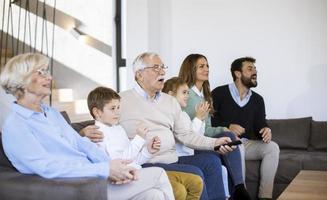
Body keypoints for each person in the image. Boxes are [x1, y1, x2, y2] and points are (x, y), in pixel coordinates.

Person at [0, 53, 174, 200]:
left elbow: (81, 143)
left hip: (94, 176)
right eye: (41, 72)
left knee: (154, 195)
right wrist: (104, 169)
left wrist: (113, 167)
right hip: (78, 186)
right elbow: (47, 167)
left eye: (47, 72)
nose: (49, 77)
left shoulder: (51, 113)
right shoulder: (15, 126)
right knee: (158, 174)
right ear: (21, 80)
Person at [118, 52, 239, 200]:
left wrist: (215, 143)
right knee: (195, 173)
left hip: (171, 159)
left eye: (163, 67)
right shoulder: (121, 100)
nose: (162, 71)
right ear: (139, 75)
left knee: (211, 161)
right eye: (156, 67)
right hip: (146, 162)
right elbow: (101, 120)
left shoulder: (170, 101)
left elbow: (186, 134)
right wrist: (86, 131)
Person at [87, 86, 203, 200]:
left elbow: (134, 161)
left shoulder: (118, 128)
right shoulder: (97, 134)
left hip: (136, 172)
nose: (117, 112)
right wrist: (139, 138)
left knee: (156, 195)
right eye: (112, 108)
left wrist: (148, 151)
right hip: (119, 180)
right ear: (97, 112)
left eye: (118, 107)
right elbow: (121, 164)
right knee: (159, 173)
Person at [178, 54, 251, 199]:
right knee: (226, 143)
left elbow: (208, 129)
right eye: (201, 66)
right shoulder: (185, 95)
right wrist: (224, 131)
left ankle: (239, 187)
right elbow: (187, 131)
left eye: (207, 65)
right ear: (191, 69)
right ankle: (239, 190)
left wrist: (224, 130)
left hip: (205, 139)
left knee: (230, 139)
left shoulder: (205, 96)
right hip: (191, 145)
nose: (206, 69)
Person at [211, 57, 280, 200]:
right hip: (225, 143)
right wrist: (228, 126)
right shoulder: (219, 93)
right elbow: (209, 121)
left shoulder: (258, 100)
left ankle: (265, 197)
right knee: (238, 147)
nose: (255, 72)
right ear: (237, 73)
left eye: (255, 69)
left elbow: (260, 123)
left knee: (272, 147)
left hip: (246, 143)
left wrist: (266, 129)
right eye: (250, 69)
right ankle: (242, 195)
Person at [162, 77, 230, 200]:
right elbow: (187, 138)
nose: (187, 96)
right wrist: (198, 118)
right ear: (170, 95)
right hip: (179, 157)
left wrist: (201, 119)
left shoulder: (183, 115)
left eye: (188, 92)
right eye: (184, 92)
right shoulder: (170, 114)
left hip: (187, 155)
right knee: (211, 160)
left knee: (215, 162)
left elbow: (197, 136)